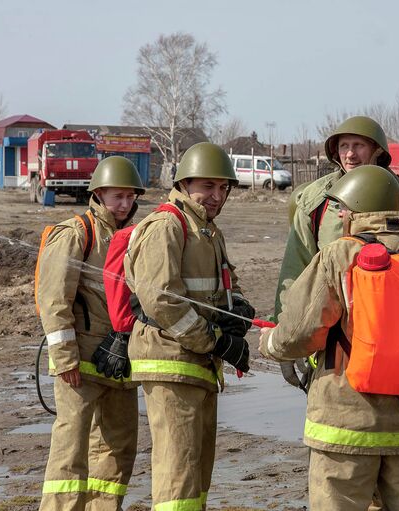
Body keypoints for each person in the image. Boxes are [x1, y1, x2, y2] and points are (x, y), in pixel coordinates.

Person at [259, 165, 399, 511]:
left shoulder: (338, 255)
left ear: (355, 210)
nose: (341, 215)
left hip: (344, 425)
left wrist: (269, 343)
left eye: (342, 209)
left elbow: (299, 332)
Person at [125, 142, 254, 511]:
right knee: (178, 471)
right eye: (207, 187)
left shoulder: (208, 231)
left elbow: (225, 286)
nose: (216, 196)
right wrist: (215, 341)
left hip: (197, 364)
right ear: (184, 184)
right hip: (171, 362)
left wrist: (239, 308)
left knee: (197, 471)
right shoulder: (167, 225)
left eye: (222, 189)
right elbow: (162, 301)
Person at [274, 115, 399, 390]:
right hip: (332, 349)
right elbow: (295, 270)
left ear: (378, 151)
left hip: (397, 343)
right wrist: (285, 333)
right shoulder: (316, 202)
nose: (350, 154)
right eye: (344, 146)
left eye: (359, 145)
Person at [36, 156, 145, 510]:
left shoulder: (134, 237)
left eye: (130, 197)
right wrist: (65, 358)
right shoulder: (76, 233)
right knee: (71, 450)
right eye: (118, 197)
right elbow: (54, 300)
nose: (125, 204)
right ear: (98, 193)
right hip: (80, 363)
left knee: (119, 447)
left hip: (119, 362)